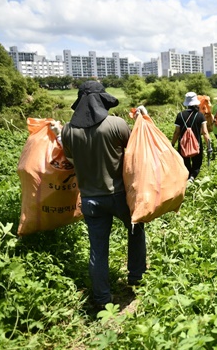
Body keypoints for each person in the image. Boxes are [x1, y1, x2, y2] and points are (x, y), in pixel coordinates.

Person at [58, 80, 147, 312]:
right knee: (136, 230)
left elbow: (69, 160)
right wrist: (142, 119)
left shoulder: (68, 130)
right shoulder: (116, 124)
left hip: (90, 199)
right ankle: (136, 277)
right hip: (119, 195)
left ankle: (102, 298)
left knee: (98, 249)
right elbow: (136, 148)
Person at [172, 92, 212, 183]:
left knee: (185, 163)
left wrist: (172, 144)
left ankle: (186, 178)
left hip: (183, 144)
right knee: (197, 164)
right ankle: (192, 177)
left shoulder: (180, 115)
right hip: (197, 144)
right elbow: (205, 132)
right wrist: (209, 145)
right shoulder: (200, 116)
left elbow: (176, 132)